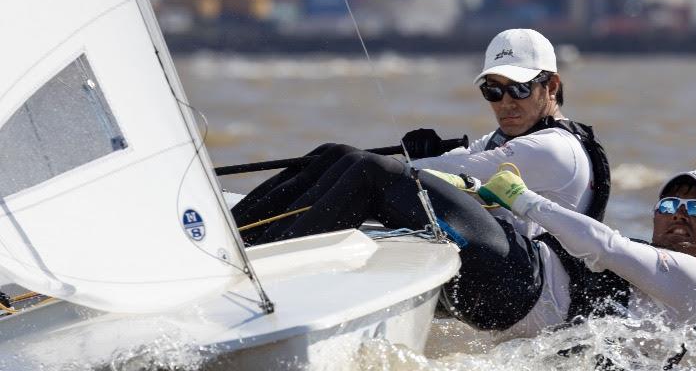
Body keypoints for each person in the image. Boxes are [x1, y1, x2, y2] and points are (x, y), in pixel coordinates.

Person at [232, 28, 611, 246]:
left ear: (552, 86)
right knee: (335, 155)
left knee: (364, 169)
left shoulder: (551, 149)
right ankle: (235, 233)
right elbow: (464, 159)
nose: (505, 102)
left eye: (519, 89)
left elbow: (444, 171)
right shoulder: (513, 137)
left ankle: (269, 252)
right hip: (503, 256)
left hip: (530, 283)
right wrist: (424, 157)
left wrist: (410, 163)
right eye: (493, 91)